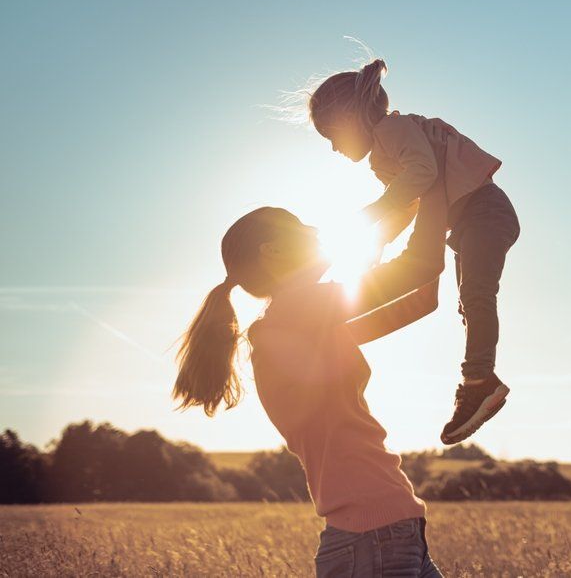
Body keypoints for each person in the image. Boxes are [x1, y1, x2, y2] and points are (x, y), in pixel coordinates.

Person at [172, 174, 449, 577]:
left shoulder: (306, 319)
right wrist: (437, 193)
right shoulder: (294, 314)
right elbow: (415, 270)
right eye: (300, 228)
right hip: (371, 537)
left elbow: (420, 297)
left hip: (391, 533)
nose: (315, 230)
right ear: (273, 250)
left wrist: (410, 216)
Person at [308, 58, 520, 444]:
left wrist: (370, 215)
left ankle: (480, 381)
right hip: (471, 220)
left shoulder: (394, 128)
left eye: (332, 136)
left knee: (476, 297)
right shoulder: (385, 152)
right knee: (469, 304)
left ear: (351, 118)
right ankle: (479, 378)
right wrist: (378, 240)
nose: (335, 148)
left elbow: (421, 175)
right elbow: (411, 201)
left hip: (483, 211)